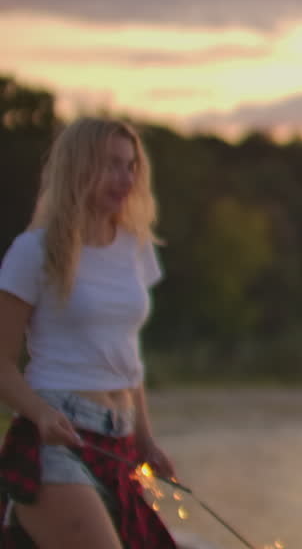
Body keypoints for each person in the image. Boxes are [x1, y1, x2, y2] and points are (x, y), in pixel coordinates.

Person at [0, 118, 177, 549]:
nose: (126, 178)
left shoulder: (137, 250)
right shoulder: (33, 252)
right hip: (56, 437)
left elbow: (125, 357)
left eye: (131, 165)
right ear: (79, 168)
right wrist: (40, 415)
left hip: (118, 442)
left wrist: (145, 438)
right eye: (112, 165)